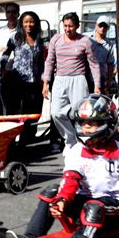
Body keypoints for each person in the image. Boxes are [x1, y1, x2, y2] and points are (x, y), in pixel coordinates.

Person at [20, 94, 119, 238]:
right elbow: (71, 179)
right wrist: (62, 200)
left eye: (92, 123)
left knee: (94, 207)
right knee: (51, 192)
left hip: (116, 209)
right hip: (86, 201)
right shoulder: (76, 151)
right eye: (83, 123)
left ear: (107, 124)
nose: (86, 128)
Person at [42, 12, 101, 152]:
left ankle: (81, 143)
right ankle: (70, 138)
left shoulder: (85, 41)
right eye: (65, 26)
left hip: (78, 79)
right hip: (60, 79)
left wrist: (97, 85)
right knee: (56, 112)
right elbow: (49, 61)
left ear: (77, 26)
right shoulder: (56, 40)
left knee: (80, 113)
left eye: (71, 26)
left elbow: (93, 64)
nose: (68, 29)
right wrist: (46, 82)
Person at [1, 11, 45, 117]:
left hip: (34, 82)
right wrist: (3, 68)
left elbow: (42, 61)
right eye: (26, 22)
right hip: (18, 81)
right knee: (16, 113)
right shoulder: (15, 38)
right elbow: (5, 54)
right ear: (21, 23)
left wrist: (43, 78)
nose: (28, 25)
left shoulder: (40, 41)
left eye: (31, 22)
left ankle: (29, 134)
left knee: (33, 113)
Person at [90, 15, 117, 96]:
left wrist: (109, 81)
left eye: (105, 26)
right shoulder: (88, 40)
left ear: (108, 29)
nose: (102, 28)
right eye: (100, 25)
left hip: (101, 77)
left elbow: (110, 64)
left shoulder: (109, 45)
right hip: (87, 76)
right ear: (96, 25)